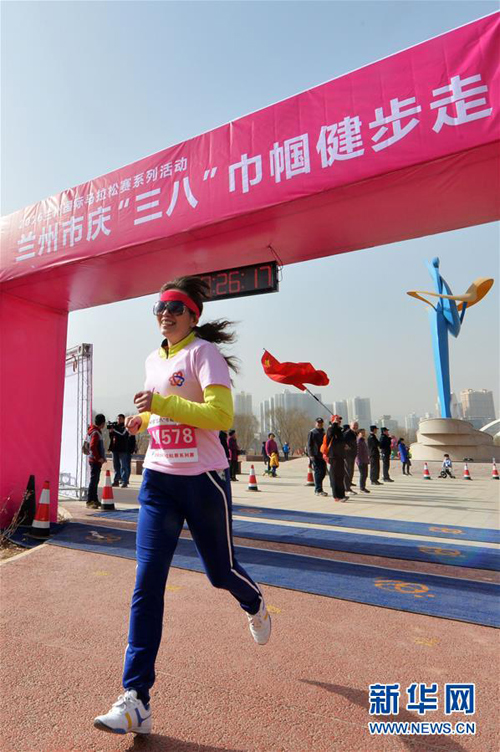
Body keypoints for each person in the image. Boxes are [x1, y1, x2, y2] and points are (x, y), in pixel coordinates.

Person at [94, 276, 270, 736]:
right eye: (159, 307)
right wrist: (143, 419)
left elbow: (220, 416)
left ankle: (254, 603)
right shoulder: (154, 359)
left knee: (219, 572)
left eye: (175, 307)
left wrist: (163, 403)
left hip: (203, 480)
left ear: (194, 315)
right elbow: (164, 411)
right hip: (158, 480)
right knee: (147, 581)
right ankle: (137, 698)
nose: (165, 314)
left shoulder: (203, 355)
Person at [86, 414, 106, 509]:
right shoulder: (96, 433)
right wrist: (99, 458)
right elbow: (93, 446)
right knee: (93, 481)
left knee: (96, 480)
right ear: (102, 423)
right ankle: (90, 501)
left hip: (93, 460)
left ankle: (95, 499)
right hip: (95, 460)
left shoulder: (94, 431)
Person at [326, 415, 347, 502]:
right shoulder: (331, 429)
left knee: (341, 476)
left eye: (340, 420)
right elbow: (330, 436)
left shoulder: (339, 430)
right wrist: (334, 424)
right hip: (333, 456)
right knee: (334, 476)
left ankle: (342, 495)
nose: (339, 421)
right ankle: (336, 496)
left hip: (340, 456)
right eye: (337, 420)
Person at [307, 417, 327, 497]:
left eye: (321, 423)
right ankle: (318, 490)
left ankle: (319, 488)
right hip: (315, 455)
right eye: (318, 423)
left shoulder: (324, 432)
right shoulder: (312, 432)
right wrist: (311, 455)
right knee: (318, 472)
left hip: (322, 455)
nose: (319, 424)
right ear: (315, 423)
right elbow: (309, 444)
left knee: (323, 472)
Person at [109, 414, 130, 488]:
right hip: (115, 449)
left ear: (124, 419)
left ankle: (124, 481)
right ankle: (116, 481)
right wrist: (111, 431)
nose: (118, 420)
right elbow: (112, 437)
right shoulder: (115, 427)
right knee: (116, 466)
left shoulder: (125, 427)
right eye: (118, 419)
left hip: (122, 449)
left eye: (120, 419)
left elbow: (122, 434)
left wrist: (114, 430)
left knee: (123, 466)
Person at [343, 421, 358, 495]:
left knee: (351, 471)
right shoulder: (348, 433)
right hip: (347, 455)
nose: (355, 427)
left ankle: (348, 487)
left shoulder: (354, 433)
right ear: (350, 426)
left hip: (352, 455)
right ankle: (346, 488)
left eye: (356, 425)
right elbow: (342, 440)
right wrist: (346, 446)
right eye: (354, 425)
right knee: (348, 471)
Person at [356, 429, 370, 493]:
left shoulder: (363, 440)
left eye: (364, 432)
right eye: (362, 433)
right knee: (363, 474)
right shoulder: (358, 441)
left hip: (365, 460)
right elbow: (358, 452)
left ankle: (363, 487)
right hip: (361, 460)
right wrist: (359, 460)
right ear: (358, 433)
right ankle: (362, 488)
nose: (363, 434)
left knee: (365, 474)